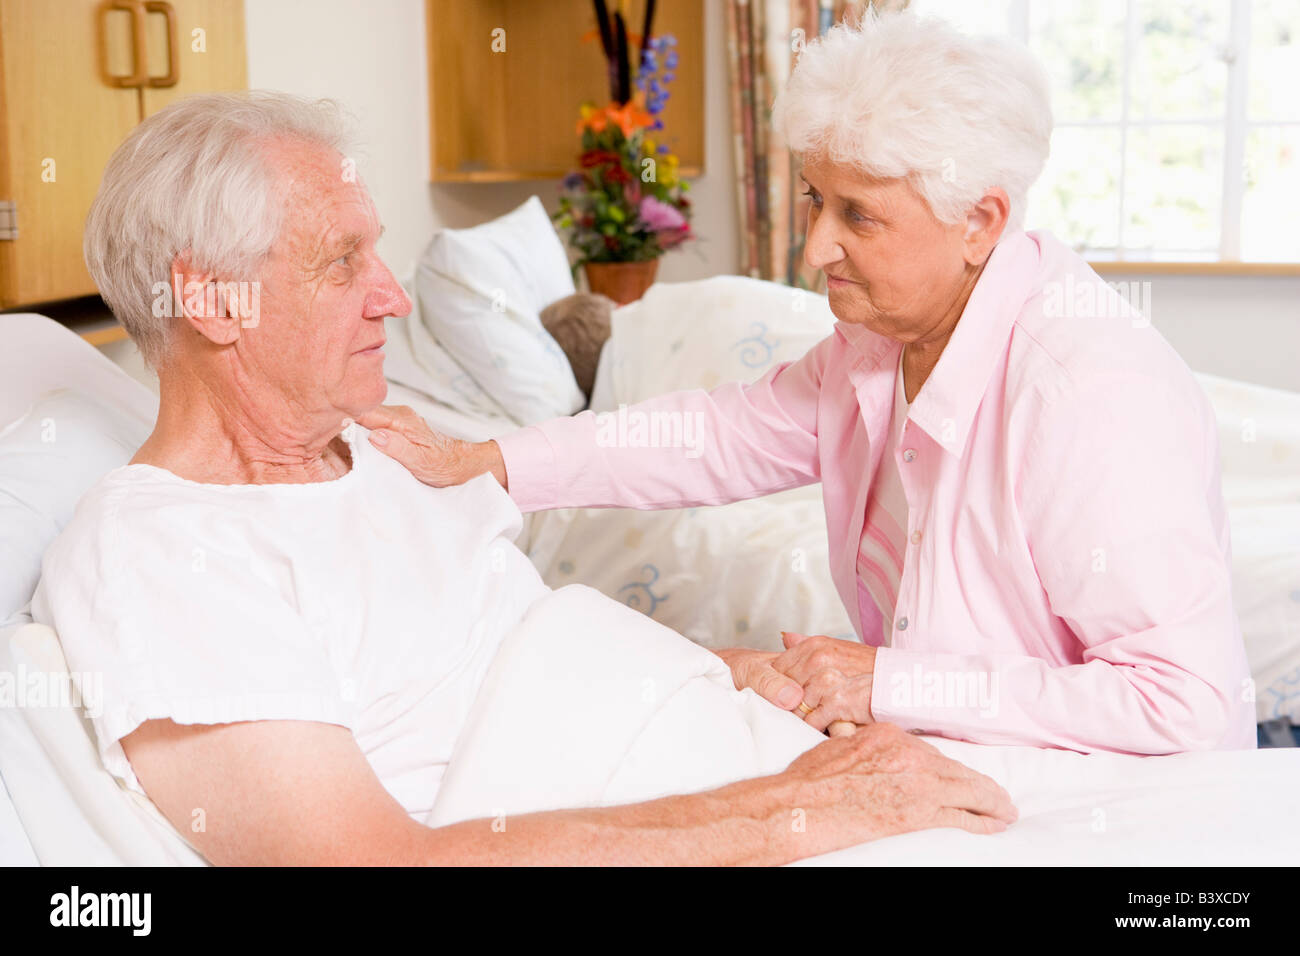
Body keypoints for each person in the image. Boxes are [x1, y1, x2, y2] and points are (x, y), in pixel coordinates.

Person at [29, 90, 1015, 867]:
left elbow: (520, 651)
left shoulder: (378, 453)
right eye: (342, 262)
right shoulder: (162, 556)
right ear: (213, 301)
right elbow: (376, 866)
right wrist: (801, 807)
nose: (392, 296)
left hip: (750, 760)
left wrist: (735, 671)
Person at [364, 10, 1256, 755]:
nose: (815, 248)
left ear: (980, 221)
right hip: (962, 774)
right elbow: (711, 437)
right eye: (812, 200)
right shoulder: (880, 343)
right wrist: (491, 461)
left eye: (858, 215)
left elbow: (1185, 704)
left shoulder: (1089, 395)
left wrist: (889, 684)